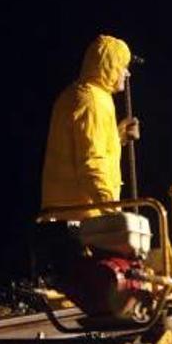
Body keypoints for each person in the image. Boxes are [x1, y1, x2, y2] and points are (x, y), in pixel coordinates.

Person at [42, 35, 140, 220]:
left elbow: (81, 148)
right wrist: (114, 212)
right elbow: (92, 164)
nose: (127, 73)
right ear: (109, 66)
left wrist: (117, 138)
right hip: (83, 220)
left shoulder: (75, 94)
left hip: (62, 217)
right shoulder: (93, 102)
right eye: (123, 66)